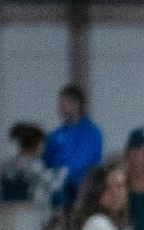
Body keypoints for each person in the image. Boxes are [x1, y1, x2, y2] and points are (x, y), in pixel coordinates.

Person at [42, 84, 104, 212]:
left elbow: (85, 162)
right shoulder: (56, 135)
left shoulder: (91, 132)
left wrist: (62, 173)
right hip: (57, 196)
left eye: (63, 103)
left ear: (75, 103)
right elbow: (46, 160)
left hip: (82, 192)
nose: (60, 107)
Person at [0, 122, 62, 205]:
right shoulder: (37, 166)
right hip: (29, 209)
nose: (44, 149)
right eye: (43, 145)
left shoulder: (7, 165)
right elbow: (54, 188)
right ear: (37, 145)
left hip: (8, 209)